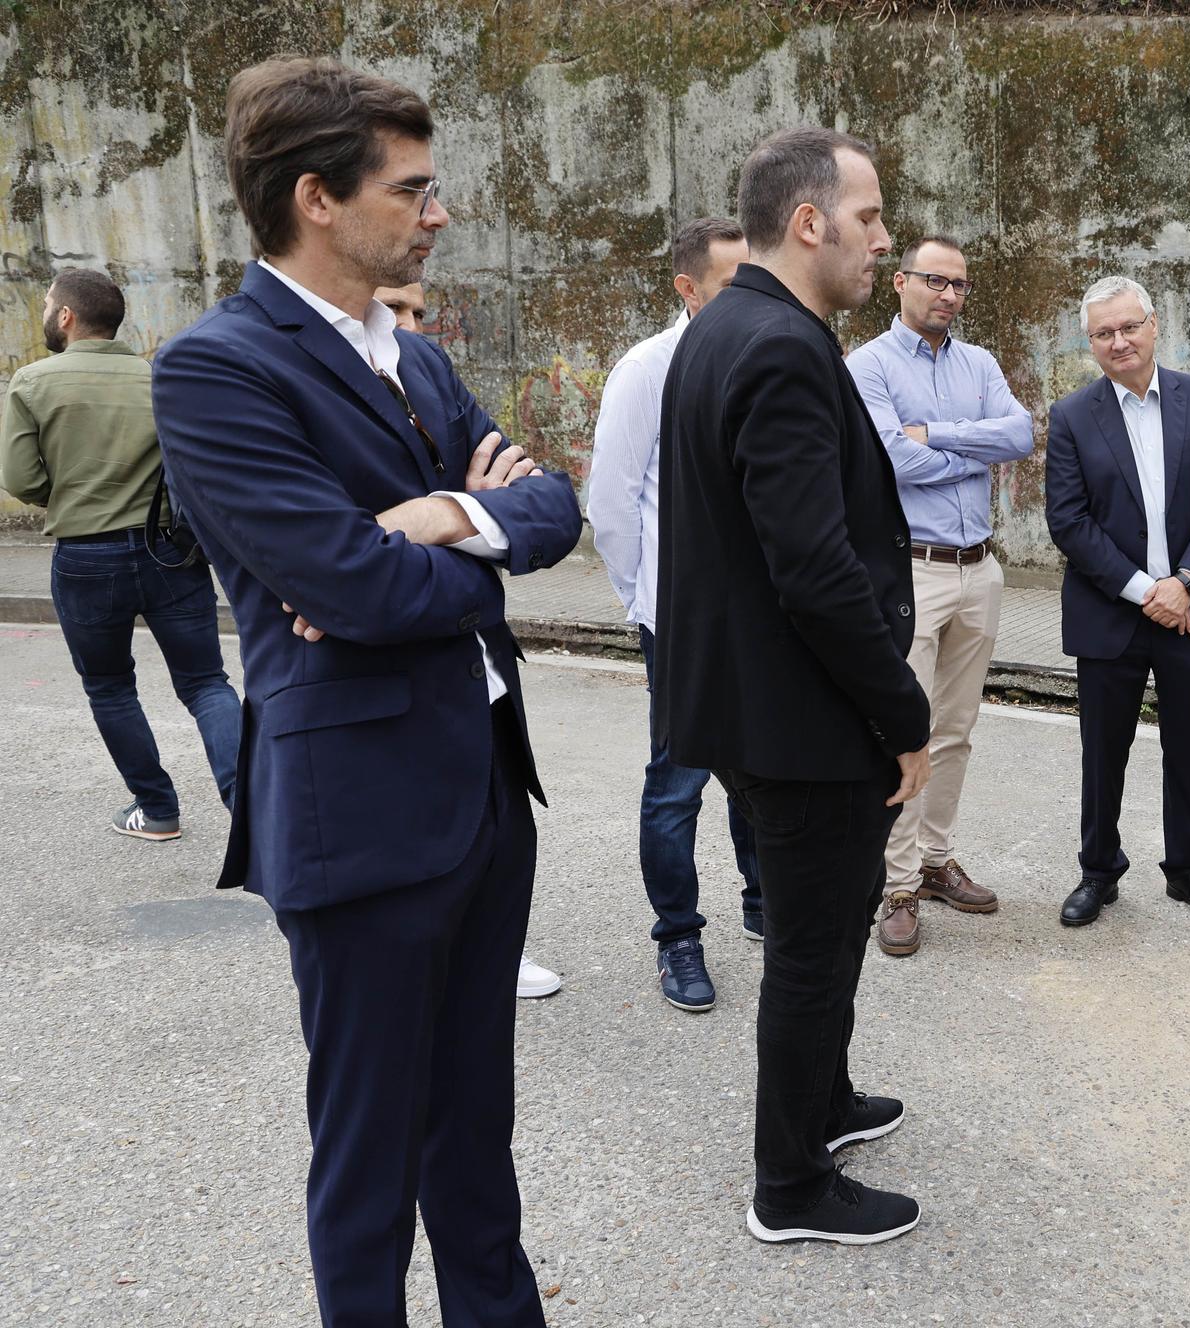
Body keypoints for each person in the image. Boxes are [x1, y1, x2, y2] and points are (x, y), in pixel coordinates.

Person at [150, 57, 582, 1325]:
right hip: (360, 821)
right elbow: (360, 591)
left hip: (484, 799)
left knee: (476, 1143)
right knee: (368, 1164)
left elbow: (552, 510)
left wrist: (439, 515)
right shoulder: (217, 370)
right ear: (316, 199)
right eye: (415, 189)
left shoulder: (416, 355)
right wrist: (460, 542)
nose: (439, 213)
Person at [656, 127, 930, 1245]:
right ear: (808, 222)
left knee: (828, 924)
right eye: (868, 220)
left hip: (760, 708)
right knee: (813, 950)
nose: (882, 241)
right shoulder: (775, 344)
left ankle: (822, 1103)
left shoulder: (729, 325)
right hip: (803, 718)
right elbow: (811, 569)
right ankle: (790, 1183)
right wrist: (901, 714)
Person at [373, 281, 563, 1004]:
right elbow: (341, 576)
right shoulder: (270, 380)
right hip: (391, 699)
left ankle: (493, 950)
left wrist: (431, 514)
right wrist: (478, 516)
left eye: (419, 310)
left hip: (484, 687)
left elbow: (549, 508)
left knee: (493, 853)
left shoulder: (425, 371)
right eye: (394, 309)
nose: (412, 326)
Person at [2, 269, 241, 842]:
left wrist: (69, 490)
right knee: (208, 684)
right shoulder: (158, 378)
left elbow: (21, 479)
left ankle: (157, 810)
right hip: (171, 552)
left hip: (86, 558)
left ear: (65, 316)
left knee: (110, 687)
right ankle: (253, 808)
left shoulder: (31, 382)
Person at [590, 216, 763, 1009]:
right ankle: (679, 939)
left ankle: (765, 903)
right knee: (678, 784)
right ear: (687, 290)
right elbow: (613, 505)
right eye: (733, 281)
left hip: (764, 619)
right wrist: (646, 603)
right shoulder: (647, 368)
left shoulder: (768, 351)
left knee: (760, 771)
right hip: (684, 625)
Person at [847, 234, 1032, 955]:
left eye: (959, 285)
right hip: (912, 571)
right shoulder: (868, 366)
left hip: (979, 568)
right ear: (900, 283)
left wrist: (943, 435)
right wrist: (968, 448)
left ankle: (932, 860)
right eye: (935, 281)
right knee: (908, 732)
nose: (949, 295)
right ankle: (894, 886)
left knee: (956, 729)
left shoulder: (979, 364)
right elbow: (892, 457)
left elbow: (1017, 435)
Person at [1042, 275, 1190, 927]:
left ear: (1155, 325)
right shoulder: (1071, 417)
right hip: (1110, 616)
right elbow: (1069, 523)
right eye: (1104, 333)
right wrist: (1144, 590)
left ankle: (1188, 868)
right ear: (1090, 342)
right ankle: (1098, 871)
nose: (1119, 341)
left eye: (1129, 327)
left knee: (1188, 745)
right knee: (1103, 754)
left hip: (1189, 610)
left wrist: (1184, 584)